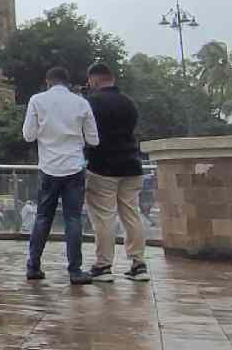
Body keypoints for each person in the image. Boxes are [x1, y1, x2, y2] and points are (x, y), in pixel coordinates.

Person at [22, 66, 100, 285]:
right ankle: (75, 270)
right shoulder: (81, 103)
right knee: (73, 219)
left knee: (42, 217)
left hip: (48, 168)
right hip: (74, 167)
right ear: (68, 83)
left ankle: (33, 266)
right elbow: (94, 140)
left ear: (48, 82)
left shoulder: (37, 100)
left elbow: (28, 135)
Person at [84, 62, 150, 283]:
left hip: (102, 167)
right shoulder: (129, 103)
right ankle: (138, 263)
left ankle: (103, 266)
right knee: (131, 214)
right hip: (132, 165)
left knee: (104, 218)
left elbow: (87, 135)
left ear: (94, 80)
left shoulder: (91, 103)